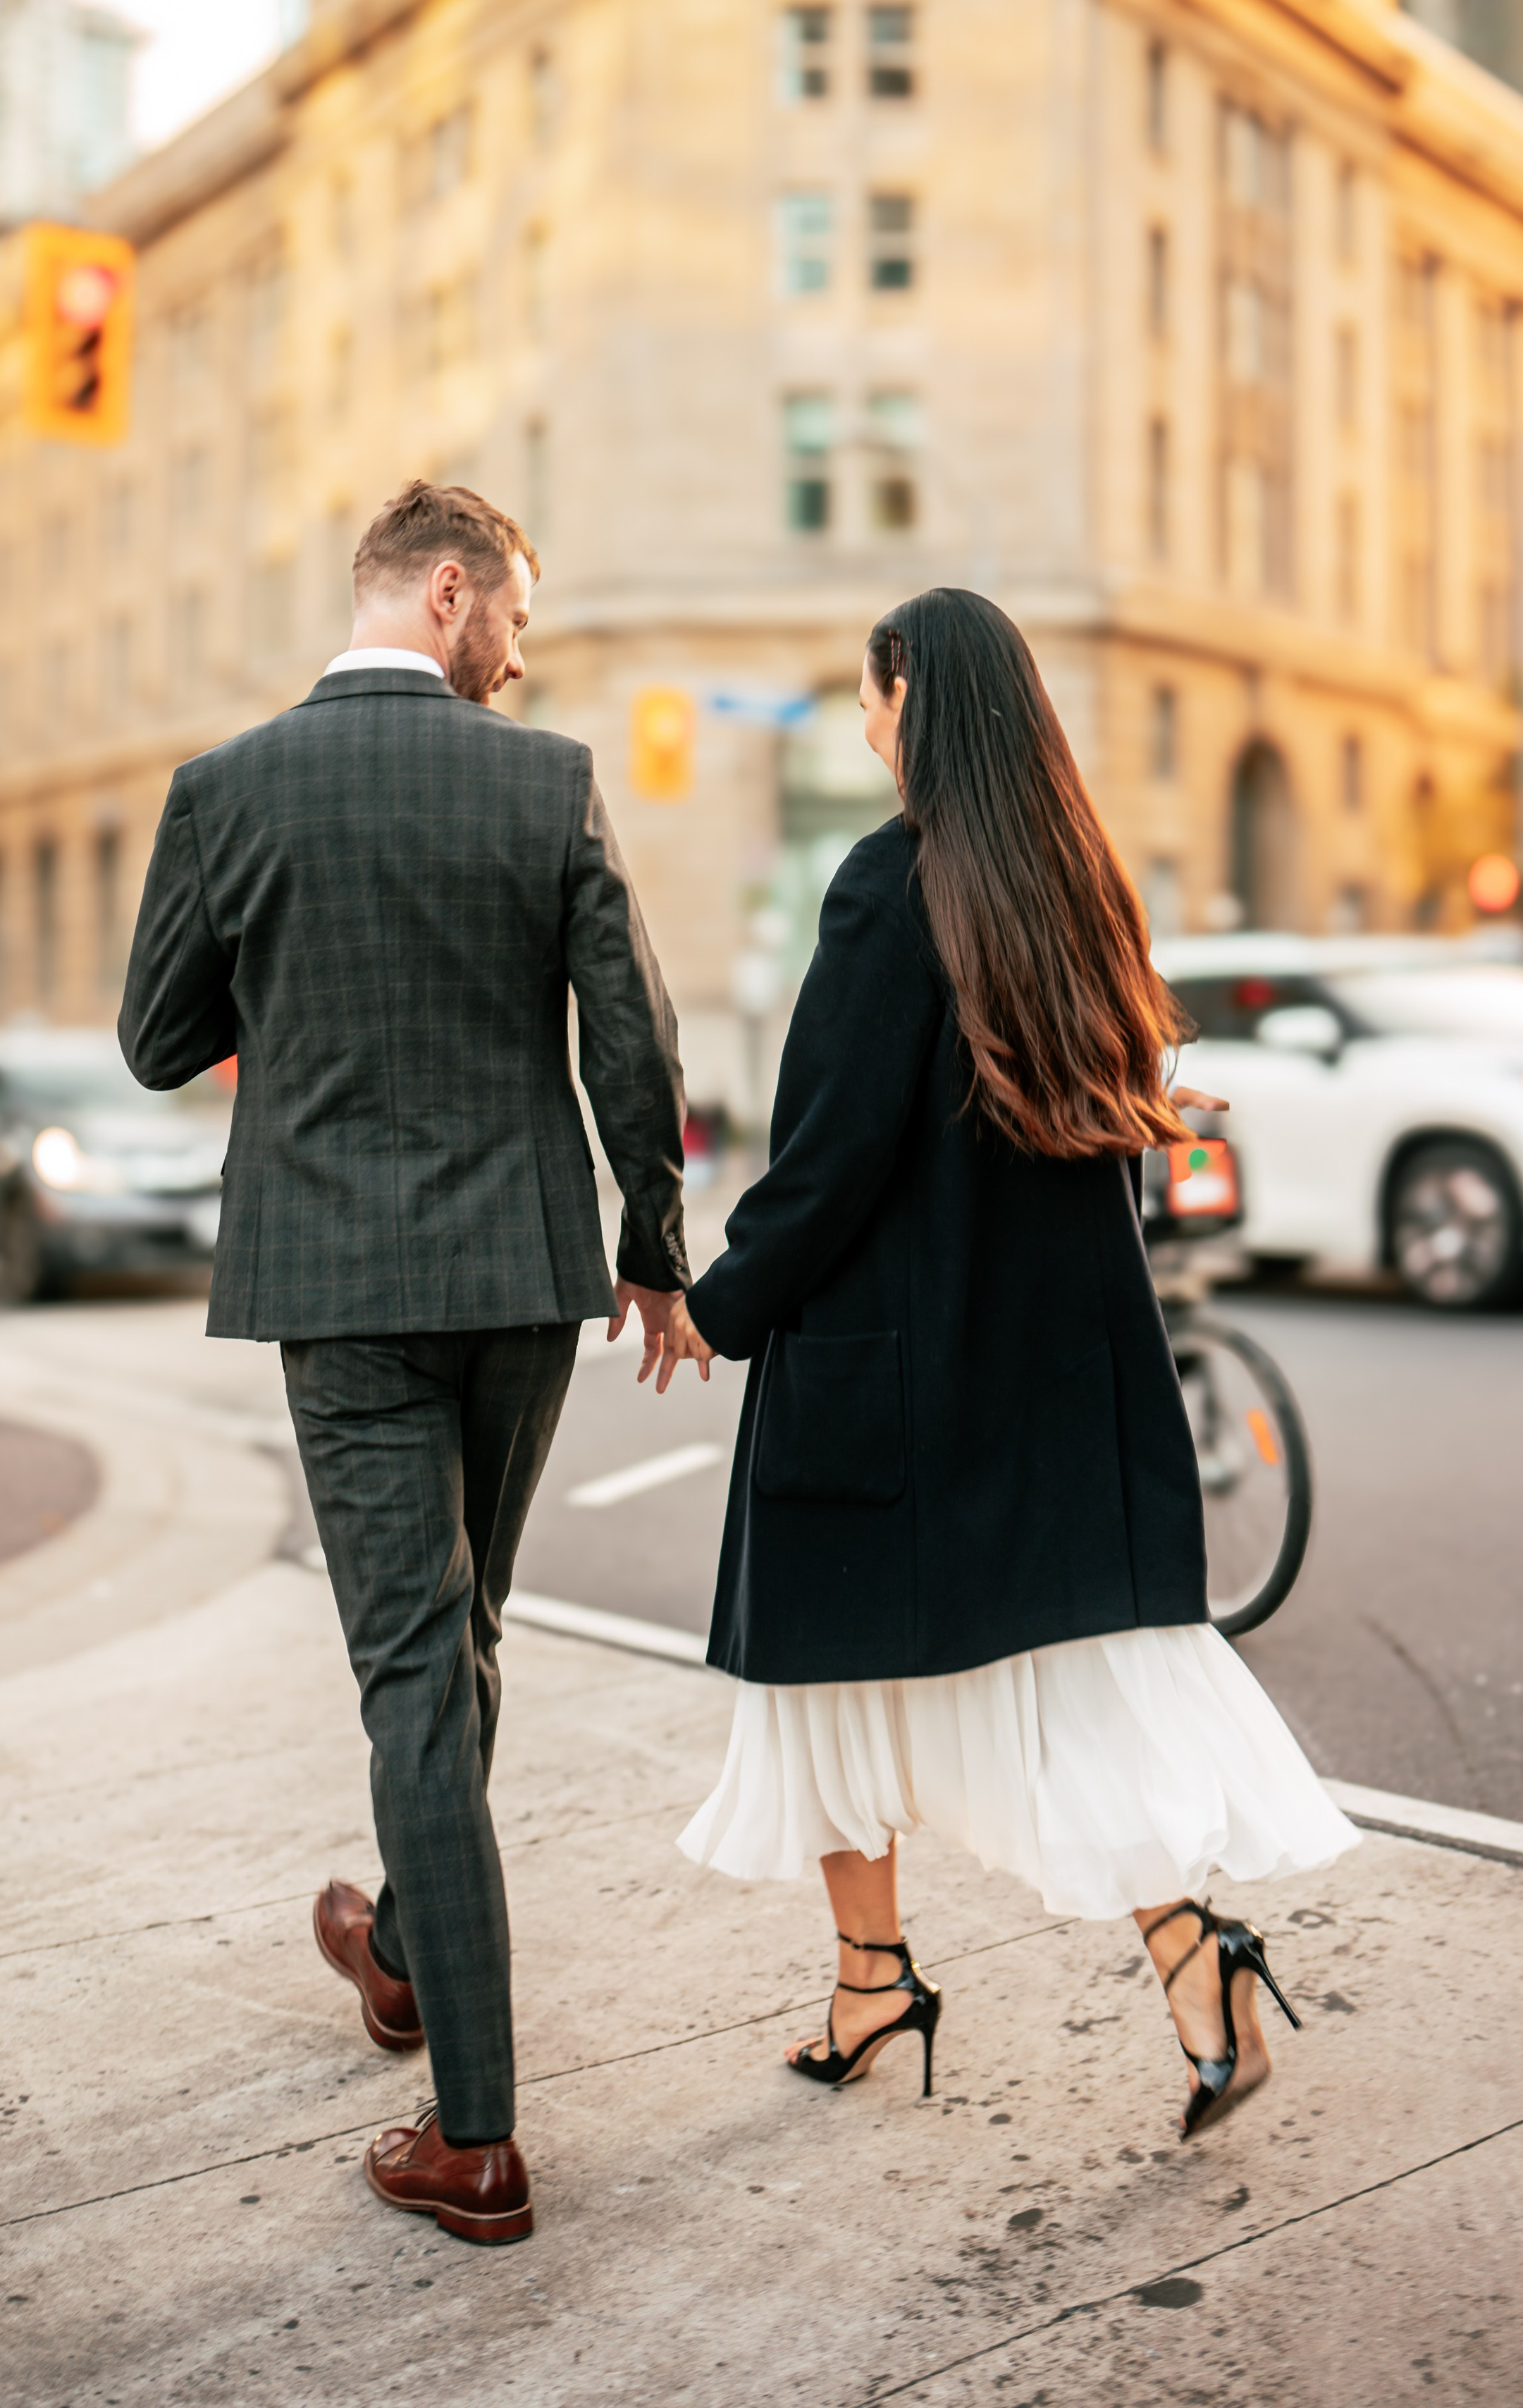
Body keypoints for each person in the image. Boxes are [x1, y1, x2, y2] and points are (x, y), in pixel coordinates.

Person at [656, 588, 1355, 2139]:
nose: (858, 719)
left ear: (916, 700)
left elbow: (827, 1155)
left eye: (868, 693)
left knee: (817, 1679)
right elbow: (1099, 1088)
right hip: (1046, 1366)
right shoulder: (1071, 882)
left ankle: (875, 1981)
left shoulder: (883, 886)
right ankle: (1179, 1960)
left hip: (880, 1367)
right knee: (1070, 1684)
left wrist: (720, 1303)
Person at [119, 480, 691, 2241]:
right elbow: (634, 1036)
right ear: (447, 594)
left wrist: (275, 981)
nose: (521, 652)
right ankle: (400, 1949)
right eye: (512, 614)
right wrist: (652, 1249)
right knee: (465, 1640)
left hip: (341, 1285)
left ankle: (477, 2130)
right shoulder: (543, 781)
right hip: (521, 1278)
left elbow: (156, 1037)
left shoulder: (225, 792)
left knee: (410, 1679)